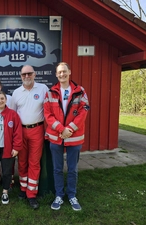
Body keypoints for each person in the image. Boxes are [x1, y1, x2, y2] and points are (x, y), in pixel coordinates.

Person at [44, 62, 90, 211]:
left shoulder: (80, 91)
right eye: (59, 72)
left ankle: (71, 195)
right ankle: (59, 195)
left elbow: (84, 111)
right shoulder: (50, 92)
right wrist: (60, 129)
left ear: (69, 72)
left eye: (64, 71)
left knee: (72, 169)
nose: (62, 74)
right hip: (56, 136)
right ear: (56, 75)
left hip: (74, 136)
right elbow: (47, 114)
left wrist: (69, 129)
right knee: (57, 169)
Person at [11, 65, 49, 209]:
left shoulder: (43, 88)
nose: (26, 76)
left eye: (29, 74)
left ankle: (32, 194)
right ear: (20, 76)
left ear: (35, 74)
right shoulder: (16, 93)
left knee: (34, 162)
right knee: (22, 161)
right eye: (24, 74)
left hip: (37, 129)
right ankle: (23, 189)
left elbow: (49, 109)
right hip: (21, 131)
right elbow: (14, 115)